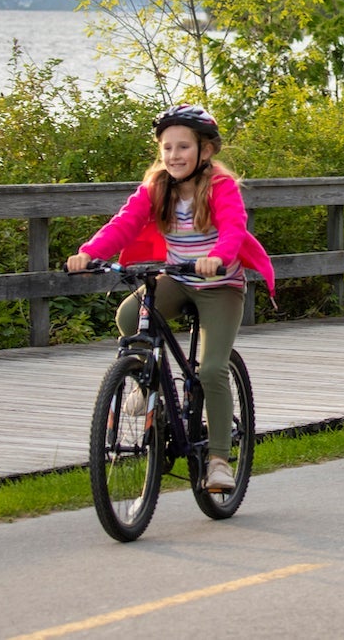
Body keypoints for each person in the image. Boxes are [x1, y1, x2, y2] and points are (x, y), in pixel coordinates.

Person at [66, 104, 274, 492]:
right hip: (177, 279)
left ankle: (218, 461)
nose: (174, 155)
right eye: (167, 148)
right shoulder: (157, 187)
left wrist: (218, 257)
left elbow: (234, 227)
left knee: (211, 370)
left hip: (220, 285)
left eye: (183, 147)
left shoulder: (220, 187)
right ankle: (146, 384)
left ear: (205, 151)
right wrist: (90, 253)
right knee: (129, 317)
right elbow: (124, 223)